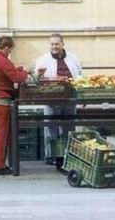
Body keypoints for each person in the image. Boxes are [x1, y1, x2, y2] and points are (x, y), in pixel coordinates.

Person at [34, 33, 82, 162]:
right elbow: (36, 80)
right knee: (51, 127)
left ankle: (68, 155)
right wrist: (38, 74)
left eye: (57, 44)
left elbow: (80, 76)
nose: (54, 47)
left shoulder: (73, 58)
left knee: (69, 127)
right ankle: (51, 156)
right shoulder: (42, 60)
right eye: (52, 44)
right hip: (51, 98)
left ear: (62, 44)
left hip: (70, 98)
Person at [0, 36, 29, 175]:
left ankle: (2, 163)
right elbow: (18, 78)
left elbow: (3, 74)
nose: (10, 52)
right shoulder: (3, 60)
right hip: (2, 101)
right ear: (6, 48)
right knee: (2, 135)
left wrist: (17, 69)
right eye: (10, 49)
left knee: (3, 133)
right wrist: (25, 71)